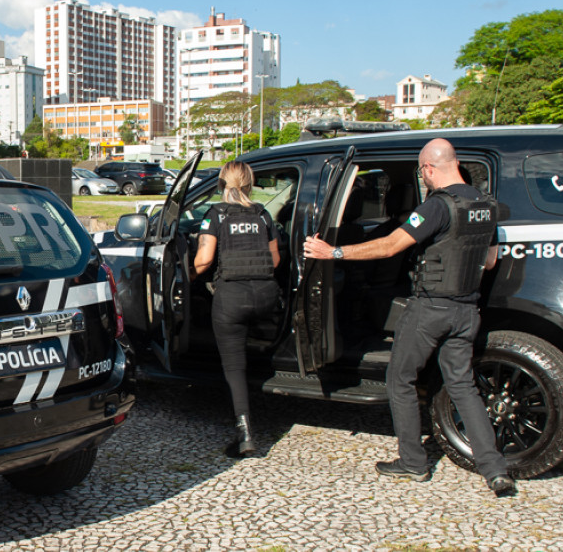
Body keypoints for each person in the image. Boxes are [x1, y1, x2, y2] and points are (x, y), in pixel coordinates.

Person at [302, 138, 515, 496]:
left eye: (423, 172)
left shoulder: (436, 207)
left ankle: (413, 463)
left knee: (400, 380)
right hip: (467, 310)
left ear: (429, 169)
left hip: (431, 309)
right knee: (463, 386)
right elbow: (490, 261)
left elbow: (389, 246)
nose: (424, 178)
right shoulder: (485, 205)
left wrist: (332, 251)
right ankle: (495, 471)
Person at [192, 161, 281, 457]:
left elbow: (204, 261)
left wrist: (191, 273)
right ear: (250, 185)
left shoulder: (216, 215)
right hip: (267, 296)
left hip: (232, 298)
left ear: (221, 184)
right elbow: (275, 260)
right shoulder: (263, 214)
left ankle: (245, 436)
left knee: (234, 366)